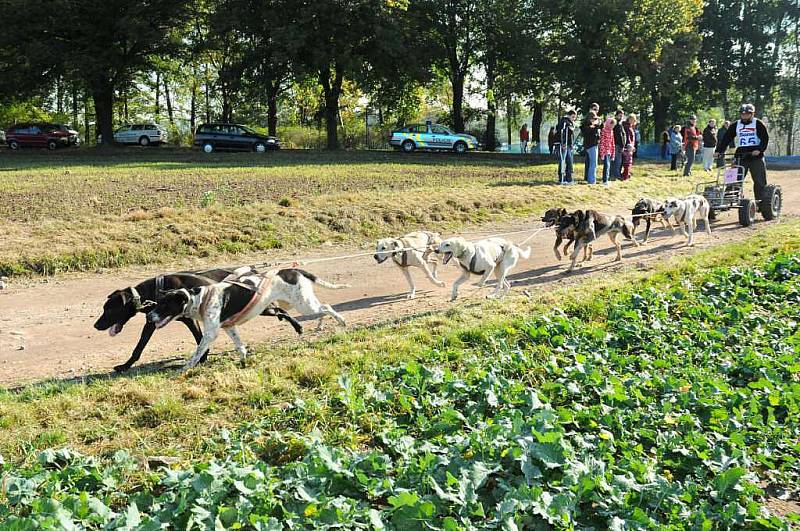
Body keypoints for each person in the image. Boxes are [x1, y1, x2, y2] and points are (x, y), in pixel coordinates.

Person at [715, 103, 770, 202]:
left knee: (759, 181)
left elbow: (765, 139)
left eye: (747, 114)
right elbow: (726, 138)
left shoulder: (758, 123)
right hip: (741, 154)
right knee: (734, 178)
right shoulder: (736, 125)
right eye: (743, 114)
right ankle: (729, 199)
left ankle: (761, 203)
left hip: (755, 154)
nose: (744, 116)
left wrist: (760, 150)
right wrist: (719, 151)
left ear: (752, 114)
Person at [555, 110, 577, 184]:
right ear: (569, 115)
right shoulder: (565, 122)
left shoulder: (569, 122)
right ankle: (564, 178)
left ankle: (567, 178)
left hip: (568, 145)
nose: (574, 119)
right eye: (573, 117)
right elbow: (562, 133)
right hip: (564, 145)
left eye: (575, 117)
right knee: (565, 161)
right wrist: (563, 143)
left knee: (567, 161)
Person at [580, 110, 600, 184]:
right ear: (590, 118)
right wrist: (596, 126)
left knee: (593, 163)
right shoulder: (586, 126)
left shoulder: (592, 126)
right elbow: (589, 133)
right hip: (590, 146)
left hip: (593, 145)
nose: (595, 120)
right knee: (593, 163)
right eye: (594, 119)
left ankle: (591, 179)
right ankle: (591, 180)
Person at [599, 117, 616, 186]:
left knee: (608, 165)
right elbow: (602, 142)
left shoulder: (611, 131)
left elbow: (612, 142)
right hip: (605, 151)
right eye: (612, 125)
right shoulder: (603, 130)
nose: (612, 126)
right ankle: (604, 180)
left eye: (613, 125)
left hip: (609, 151)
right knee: (606, 165)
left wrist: (613, 152)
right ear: (608, 124)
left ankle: (607, 179)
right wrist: (602, 153)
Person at [612, 109, 626, 179]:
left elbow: (623, 135)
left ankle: (615, 174)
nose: (621, 117)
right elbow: (619, 136)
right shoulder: (616, 124)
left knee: (618, 160)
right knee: (617, 161)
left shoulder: (620, 124)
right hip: (616, 144)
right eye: (620, 115)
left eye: (622, 116)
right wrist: (622, 145)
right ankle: (616, 175)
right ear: (616, 115)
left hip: (619, 145)